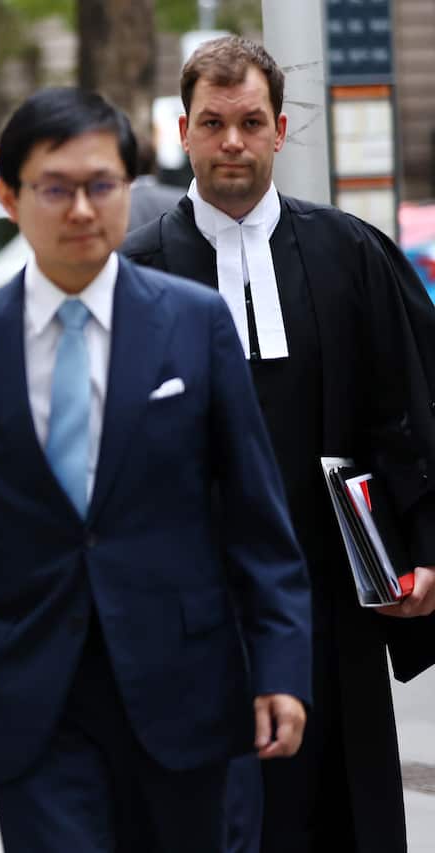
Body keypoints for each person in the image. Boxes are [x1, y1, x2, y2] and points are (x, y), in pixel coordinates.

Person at [0, 86, 313, 852]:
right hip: (37, 697)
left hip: (189, 684)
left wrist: (280, 665)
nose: (81, 209)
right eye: (56, 188)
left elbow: (256, 515)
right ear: (11, 198)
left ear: (128, 189)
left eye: (101, 185)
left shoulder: (195, 322)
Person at [122, 36, 435, 853]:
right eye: (214, 123)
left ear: (280, 131)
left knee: (339, 811)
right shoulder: (133, 278)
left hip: (331, 596)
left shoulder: (350, 255)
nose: (233, 141)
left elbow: (410, 412)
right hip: (196, 607)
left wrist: (426, 546)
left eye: (251, 122)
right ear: (184, 131)